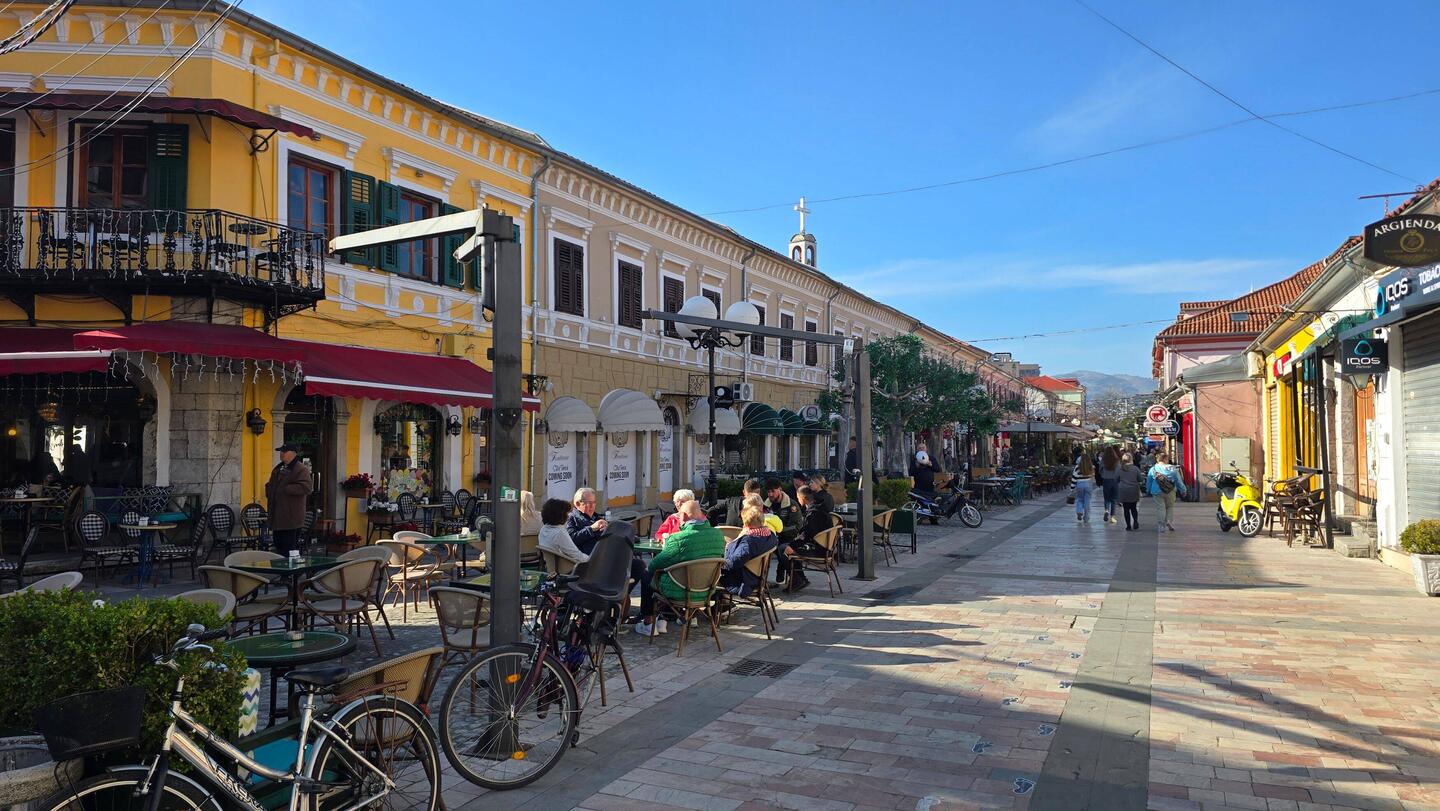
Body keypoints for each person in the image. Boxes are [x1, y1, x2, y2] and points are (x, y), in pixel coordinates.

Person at [635, 500, 725, 637]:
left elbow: (655, 565)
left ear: (683, 516)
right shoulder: (718, 535)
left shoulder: (678, 539)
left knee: (648, 574)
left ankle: (649, 623)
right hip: (707, 590)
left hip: (681, 590)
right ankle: (666, 617)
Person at [776, 485, 832, 592]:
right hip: (824, 547)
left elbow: (808, 534)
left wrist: (793, 545)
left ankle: (797, 579)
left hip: (817, 550)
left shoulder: (813, 513)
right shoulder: (821, 509)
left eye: (798, 497)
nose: (797, 500)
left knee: (783, 548)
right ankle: (801, 579)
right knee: (790, 546)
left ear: (803, 498)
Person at [264, 443, 313, 556]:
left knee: (290, 549)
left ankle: (293, 567)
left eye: (284, 451)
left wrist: (286, 489)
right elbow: (272, 484)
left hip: (291, 518)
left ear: (293, 453)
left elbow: (307, 487)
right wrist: (270, 490)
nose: (281, 454)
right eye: (281, 451)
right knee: (279, 546)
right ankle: (283, 567)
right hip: (277, 517)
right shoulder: (278, 468)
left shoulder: (300, 469)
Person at [720, 503, 778, 596]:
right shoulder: (770, 535)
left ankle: (720, 602)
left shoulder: (749, 541)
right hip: (757, 576)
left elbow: (734, 562)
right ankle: (724, 602)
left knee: (709, 575)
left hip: (742, 581)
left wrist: (720, 563)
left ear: (746, 523)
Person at [537, 497, 589, 565]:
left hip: (551, 566)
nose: (568, 516)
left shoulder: (543, 529)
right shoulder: (559, 532)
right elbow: (576, 555)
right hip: (567, 567)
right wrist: (592, 559)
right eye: (566, 513)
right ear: (560, 515)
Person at [1147, 452, 1187, 532]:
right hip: (1170, 491)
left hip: (1157, 491)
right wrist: (1183, 490)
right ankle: (1168, 521)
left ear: (1157, 459)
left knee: (1160, 508)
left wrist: (1148, 489)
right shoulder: (1173, 469)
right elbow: (1178, 481)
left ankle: (1161, 525)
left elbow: (1149, 481)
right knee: (1170, 507)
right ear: (1166, 459)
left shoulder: (1153, 469)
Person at [566, 487, 609, 555]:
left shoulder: (598, 518)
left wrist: (608, 530)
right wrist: (591, 529)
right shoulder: (570, 518)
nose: (592, 506)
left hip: (603, 555)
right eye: (588, 503)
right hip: (585, 558)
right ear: (577, 504)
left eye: (594, 502)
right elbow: (570, 540)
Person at [1116, 453, 1144, 531]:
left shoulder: (1120, 469)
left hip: (1123, 490)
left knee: (1126, 509)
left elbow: (1116, 479)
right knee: (1133, 507)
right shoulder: (1135, 468)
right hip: (1133, 490)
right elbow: (1140, 479)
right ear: (1131, 459)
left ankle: (1128, 526)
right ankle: (1135, 521)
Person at [1098, 447, 1121, 524]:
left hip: (1106, 480)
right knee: (1114, 499)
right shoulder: (1116, 460)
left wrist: (1103, 475)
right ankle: (1112, 517)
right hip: (1114, 481)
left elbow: (1100, 470)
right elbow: (1118, 471)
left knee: (1106, 498)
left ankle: (1106, 510)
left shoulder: (1103, 460)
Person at [1072, 454, 1095, 523]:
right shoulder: (1091, 466)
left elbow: (1074, 477)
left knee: (1080, 499)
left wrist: (1072, 488)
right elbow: (1093, 476)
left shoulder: (1077, 467)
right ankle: (1086, 517)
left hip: (1079, 484)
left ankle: (1079, 511)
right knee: (1087, 501)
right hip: (1088, 484)